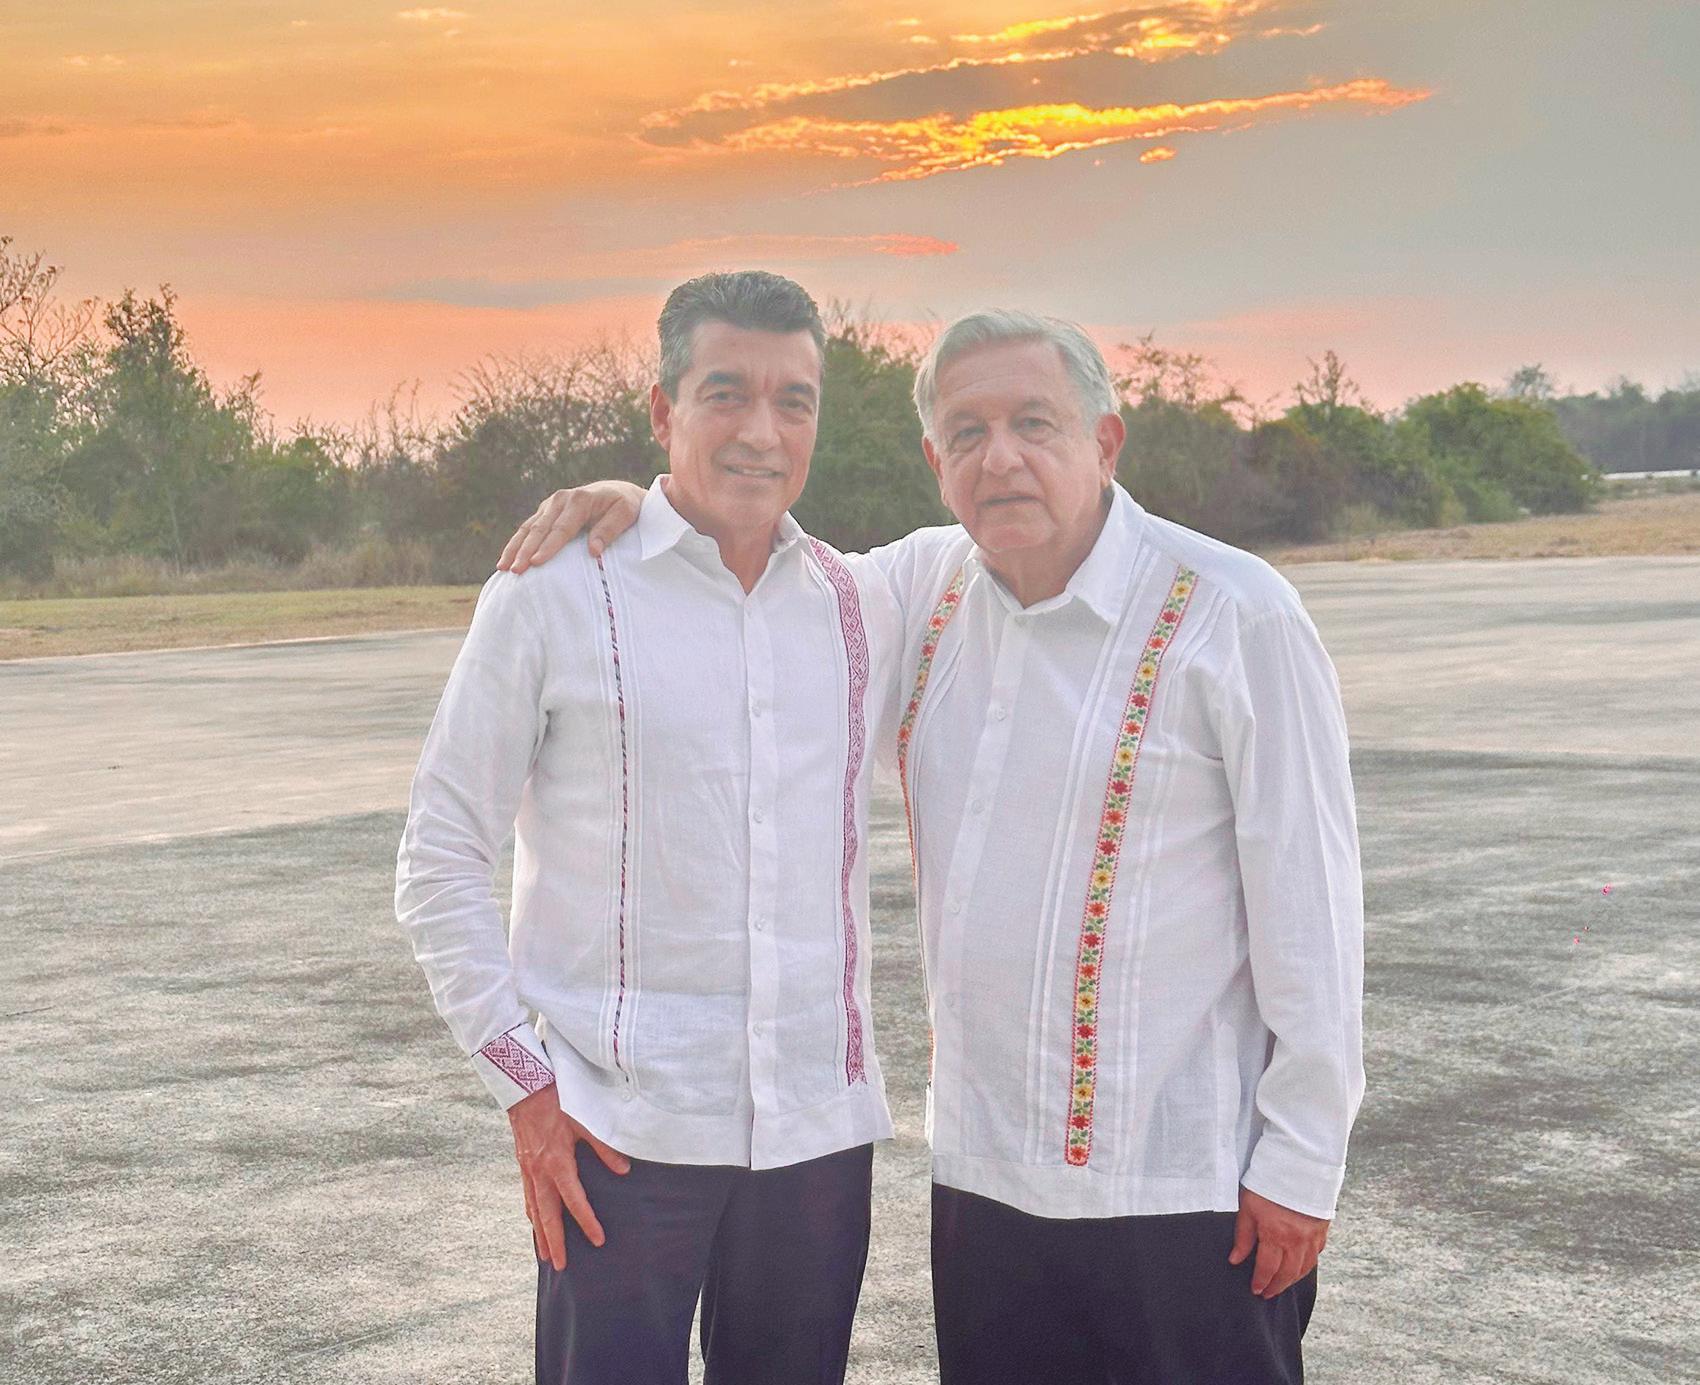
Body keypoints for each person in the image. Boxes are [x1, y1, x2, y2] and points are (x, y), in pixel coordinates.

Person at [501, 308, 1365, 1383]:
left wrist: (1301, 1162)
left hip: (1187, 1191)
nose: (999, 457)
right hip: (985, 1196)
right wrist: (644, 502)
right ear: (933, 462)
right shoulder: (914, 595)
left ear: (1104, 440)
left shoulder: (1236, 616)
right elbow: (745, 556)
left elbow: (1311, 912)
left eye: (1033, 423)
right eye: (966, 432)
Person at [395, 270, 903, 1385]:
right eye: (726, 393)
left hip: (815, 1133)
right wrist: (526, 1086)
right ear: (664, 409)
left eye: (794, 400)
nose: (762, 431)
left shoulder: (863, 602)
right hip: (615, 1135)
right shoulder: (551, 592)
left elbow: (1023, 545)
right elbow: (439, 849)